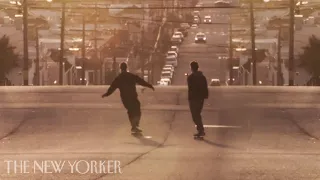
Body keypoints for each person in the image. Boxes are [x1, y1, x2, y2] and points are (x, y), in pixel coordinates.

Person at [102, 62, 155, 133]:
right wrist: (149, 85)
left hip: (125, 98)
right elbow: (141, 81)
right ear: (126, 68)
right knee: (137, 109)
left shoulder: (118, 78)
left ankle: (134, 126)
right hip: (133, 97)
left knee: (130, 111)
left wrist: (106, 94)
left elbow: (112, 88)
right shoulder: (131, 76)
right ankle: (135, 124)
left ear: (120, 68)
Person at [187, 61, 208, 136]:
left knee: (195, 115)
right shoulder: (202, 77)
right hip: (201, 98)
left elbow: (190, 88)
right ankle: (200, 130)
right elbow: (205, 87)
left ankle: (201, 130)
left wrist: (189, 98)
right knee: (197, 114)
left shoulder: (190, 77)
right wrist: (205, 96)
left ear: (191, 68)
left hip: (193, 99)